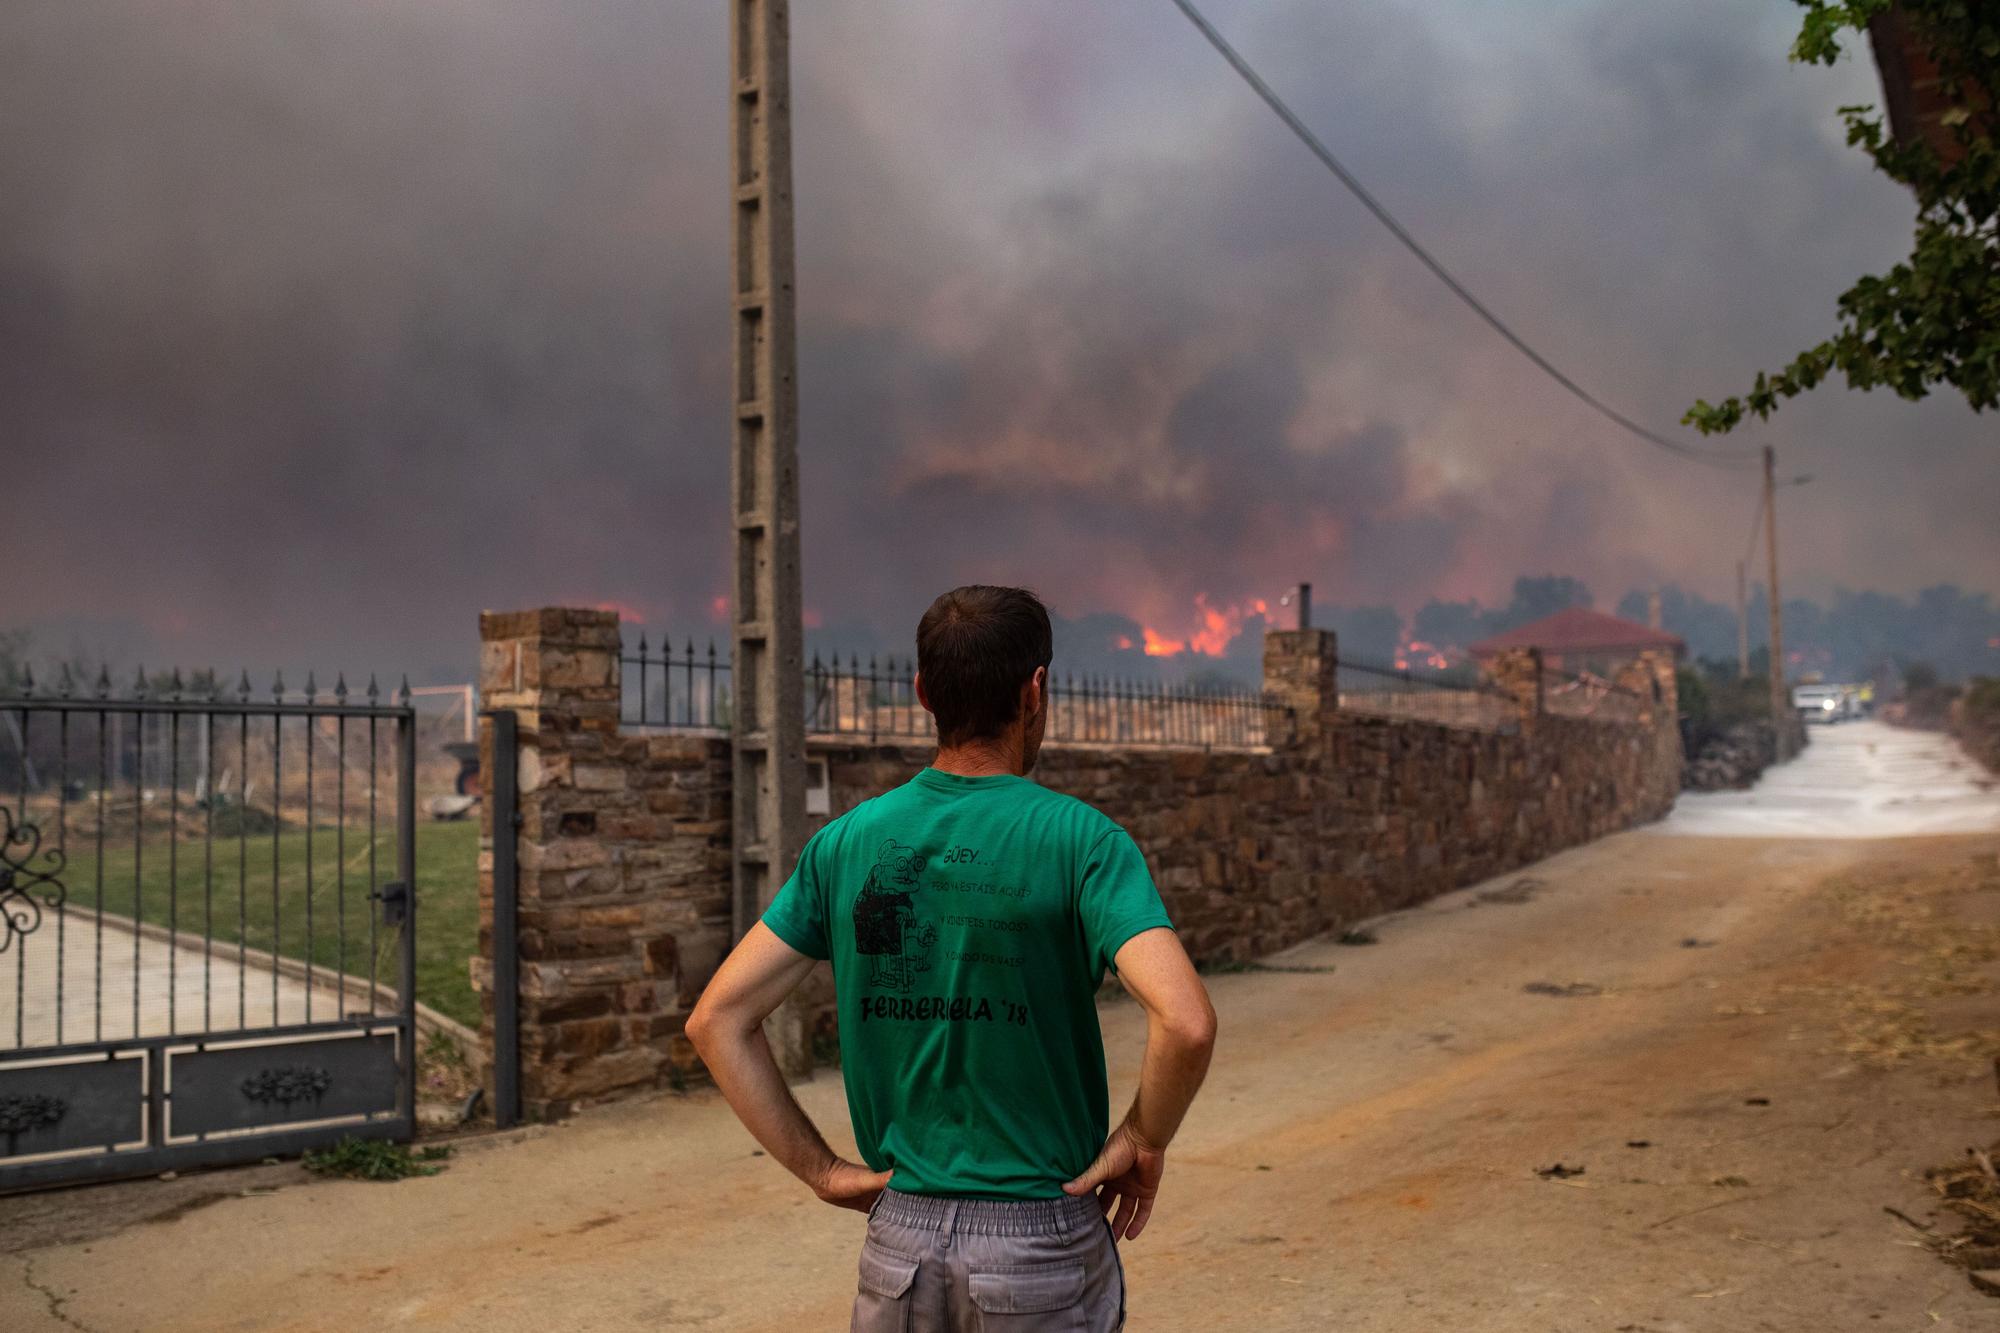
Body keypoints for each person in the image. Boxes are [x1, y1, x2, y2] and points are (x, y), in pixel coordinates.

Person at [688, 584, 1218, 1330]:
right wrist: (1141, 1135)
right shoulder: (1084, 843)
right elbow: (1186, 1022)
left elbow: (716, 1020)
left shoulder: (845, 845)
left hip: (897, 1248)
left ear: (922, 693)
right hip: (1042, 1245)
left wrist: (822, 1171)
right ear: (1036, 691)